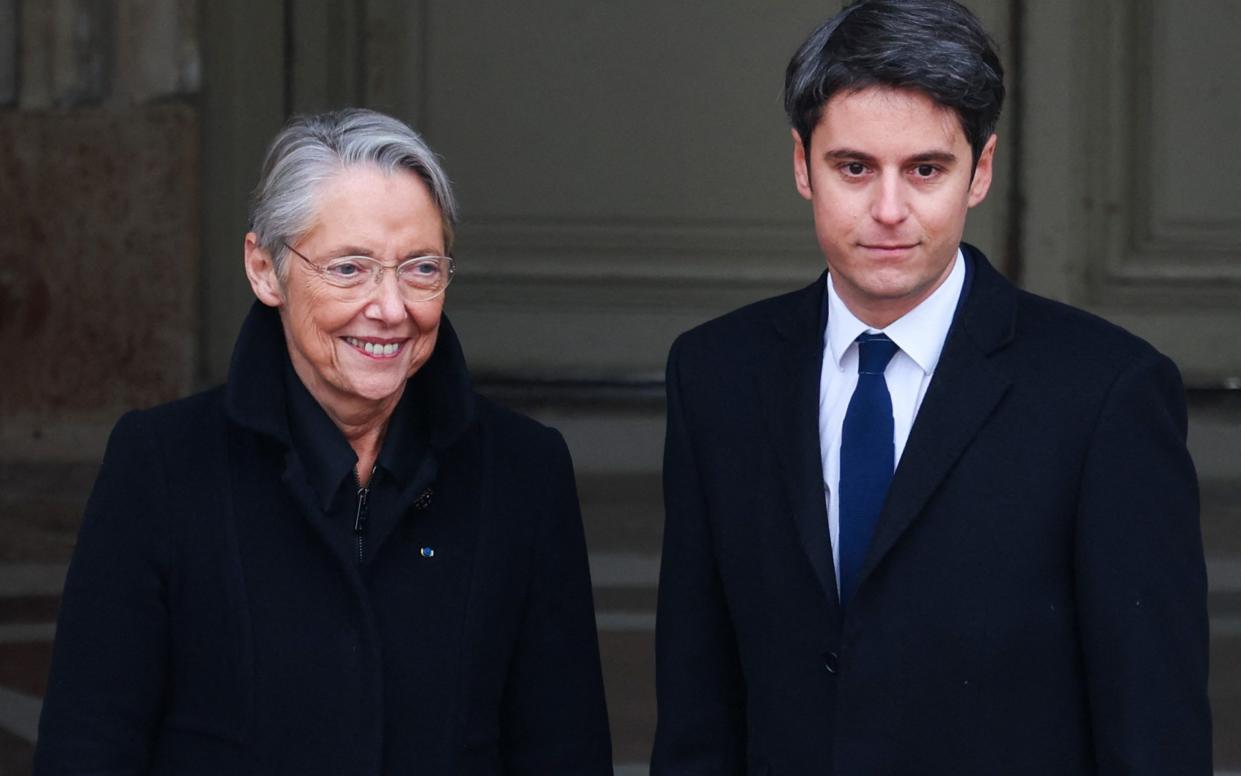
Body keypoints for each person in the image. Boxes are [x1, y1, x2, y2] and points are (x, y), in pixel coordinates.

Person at [651, 1, 1212, 773]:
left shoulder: (1104, 391)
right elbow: (697, 696)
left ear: (978, 171)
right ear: (799, 164)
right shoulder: (716, 373)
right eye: (853, 167)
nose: (887, 211)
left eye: (925, 169)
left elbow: (1152, 723)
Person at [35, 108, 612, 775]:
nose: (391, 308)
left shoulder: (524, 471)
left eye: (421, 268)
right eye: (350, 268)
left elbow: (563, 751)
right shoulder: (162, 465)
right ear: (263, 268)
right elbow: (89, 744)